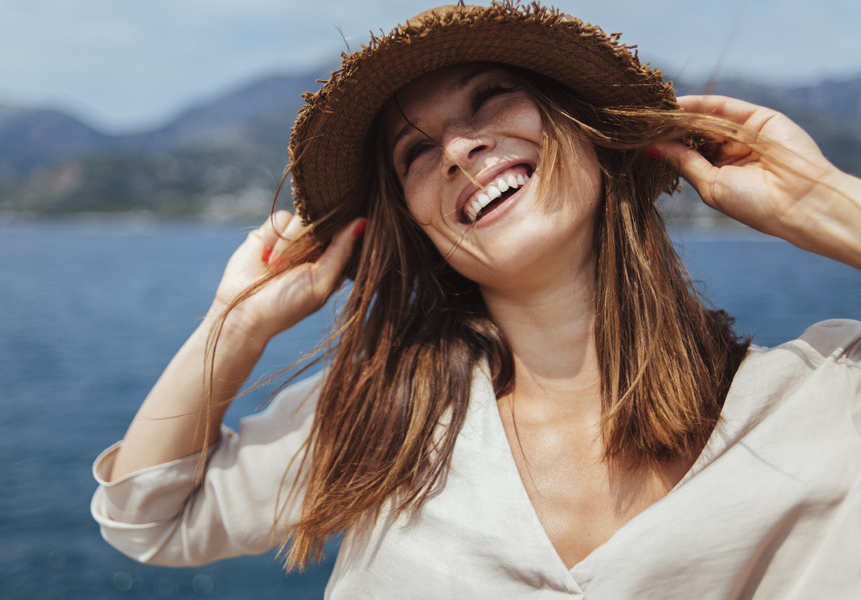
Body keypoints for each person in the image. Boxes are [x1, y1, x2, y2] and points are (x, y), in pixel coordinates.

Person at [91, 2, 861, 597]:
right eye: (417, 151)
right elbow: (149, 518)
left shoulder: (827, 398)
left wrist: (830, 204)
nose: (460, 149)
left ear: (585, 134)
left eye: (492, 100)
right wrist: (238, 325)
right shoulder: (384, 416)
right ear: (417, 226)